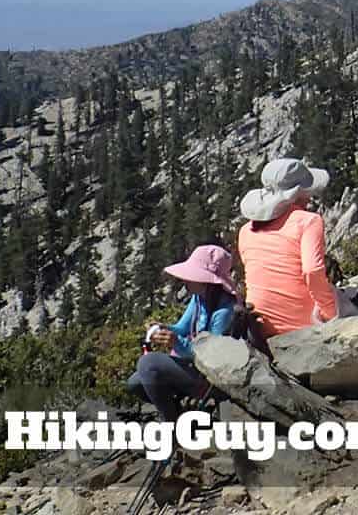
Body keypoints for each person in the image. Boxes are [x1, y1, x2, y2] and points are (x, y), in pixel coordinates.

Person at [126, 244, 238, 420]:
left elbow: (211, 357)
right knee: (136, 382)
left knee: (148, 364)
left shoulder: (224, 311)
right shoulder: (199, 298)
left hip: (210, 378)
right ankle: (179, 413)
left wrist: (176, 342)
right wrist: (163, 328)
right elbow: (182, 328)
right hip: (192, 367)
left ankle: (171, 425)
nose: (185, 281)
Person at [237, 158, 339, 338]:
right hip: (301, 326)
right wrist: (331, 314)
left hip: (259, 325)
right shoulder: (308, 221)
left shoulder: (246, 230)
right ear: (299, 193)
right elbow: (313, 271)